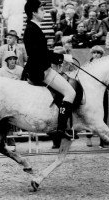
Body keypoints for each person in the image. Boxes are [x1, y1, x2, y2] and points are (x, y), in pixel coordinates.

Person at [23, 0, 76, 141]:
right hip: (40, 70)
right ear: (34, 12)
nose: (44, 11)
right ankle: (61, 129)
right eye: (41, 9)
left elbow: (43, 52)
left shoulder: (34, 27)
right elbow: (39, 54)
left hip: (42, 67)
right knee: (70, 92)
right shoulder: (31, 29)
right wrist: (62, 56)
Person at [0, 51, 23, 151]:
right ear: (6, 61)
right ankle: (8, 142)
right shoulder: (1, 71)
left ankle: (19, 129)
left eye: (14, 59)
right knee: (5, 118)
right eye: (10, 59)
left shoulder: (20, 70)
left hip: (19, 97)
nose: (12, 61)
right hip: (6, 99)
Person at [84, 46, 108, 148]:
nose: (96, 54)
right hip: (90, 93)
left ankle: (103, 140)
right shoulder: (87, 65)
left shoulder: (105, 66)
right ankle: (88, 137)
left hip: (102, 93)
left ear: (101, 55)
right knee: (88, 114)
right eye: (94, 52)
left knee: (104, 114)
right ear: (92, 54)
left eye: (99, 53)